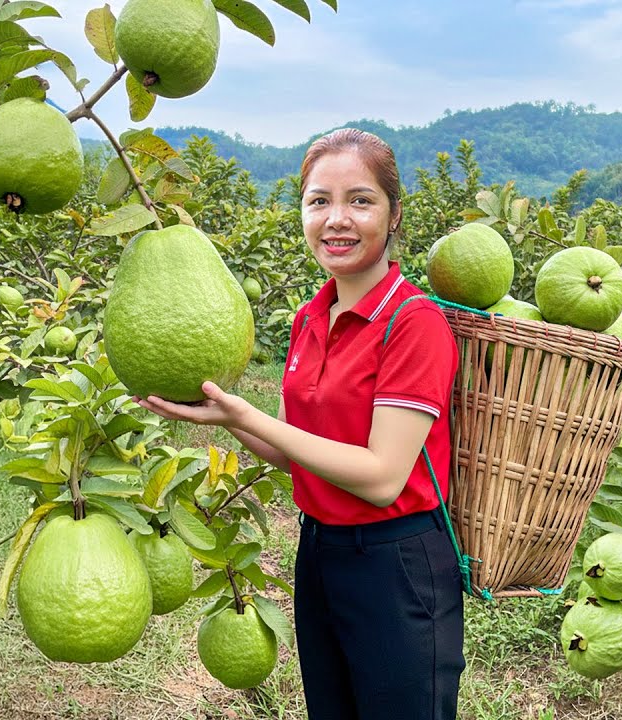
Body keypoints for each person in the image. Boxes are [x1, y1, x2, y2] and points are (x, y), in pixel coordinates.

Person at [135, 128, 465, 719]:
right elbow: (298, 454)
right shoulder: (310, 316)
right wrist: (226, 417)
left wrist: (249, 414)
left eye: (360, 200)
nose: (337, 219)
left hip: (398, 563)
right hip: (319, 550)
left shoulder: (415, 324)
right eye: (319, 201)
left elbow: (383, 476)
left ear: (393, 216)